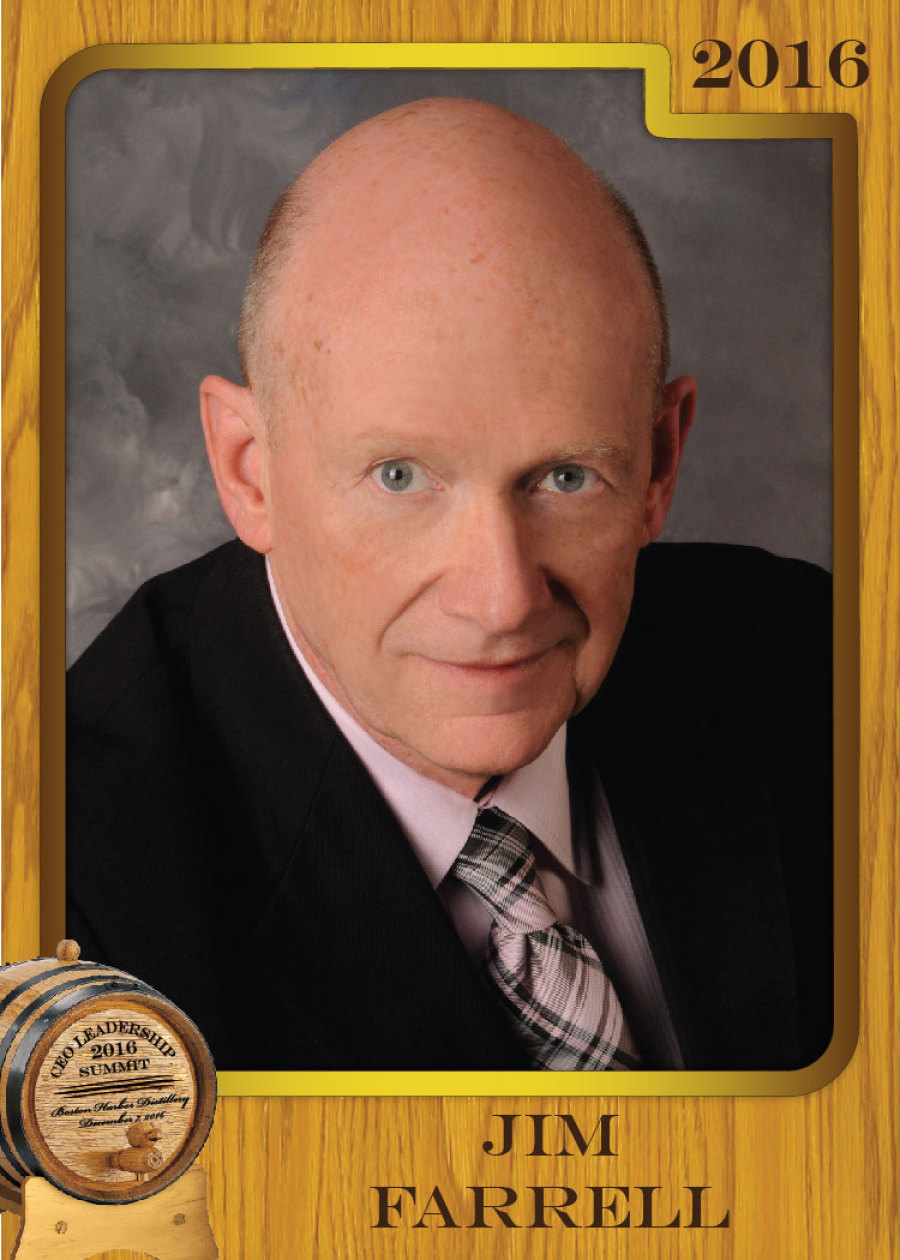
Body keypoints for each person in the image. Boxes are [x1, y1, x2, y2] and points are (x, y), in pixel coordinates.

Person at [66, 98, 832, 1072]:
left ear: (659, 463)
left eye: (566, 478)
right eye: (400, 477)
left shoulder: (822, 672)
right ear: (249, 472)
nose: (503, 600)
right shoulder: (65, 886)